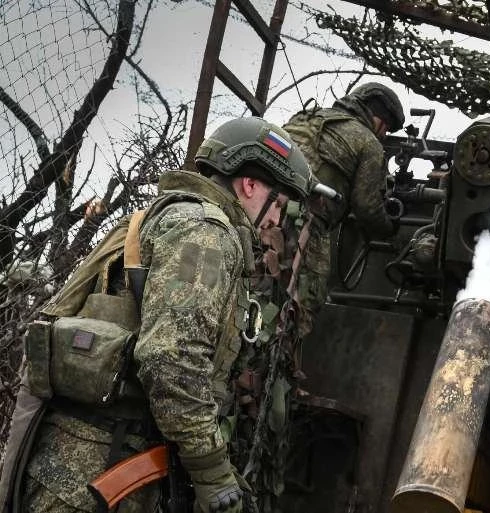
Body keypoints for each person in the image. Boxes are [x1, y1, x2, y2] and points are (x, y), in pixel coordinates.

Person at [0, 117, 322, 513]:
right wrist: (212, 471)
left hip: (76, 460)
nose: (276, 221)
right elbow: (172, 359)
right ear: (251, 184)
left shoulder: (160, 216)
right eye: (280, 204)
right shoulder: (206, 232)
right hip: (101, 468)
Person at [282, 82, 404, 336]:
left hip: (260, 207)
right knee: (304, 301)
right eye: (386, 129)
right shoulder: (368, 142)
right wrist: (390, 229)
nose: (383, 135)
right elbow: (367, 207)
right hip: (306, 223)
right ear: (379, 119)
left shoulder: (305, 118)